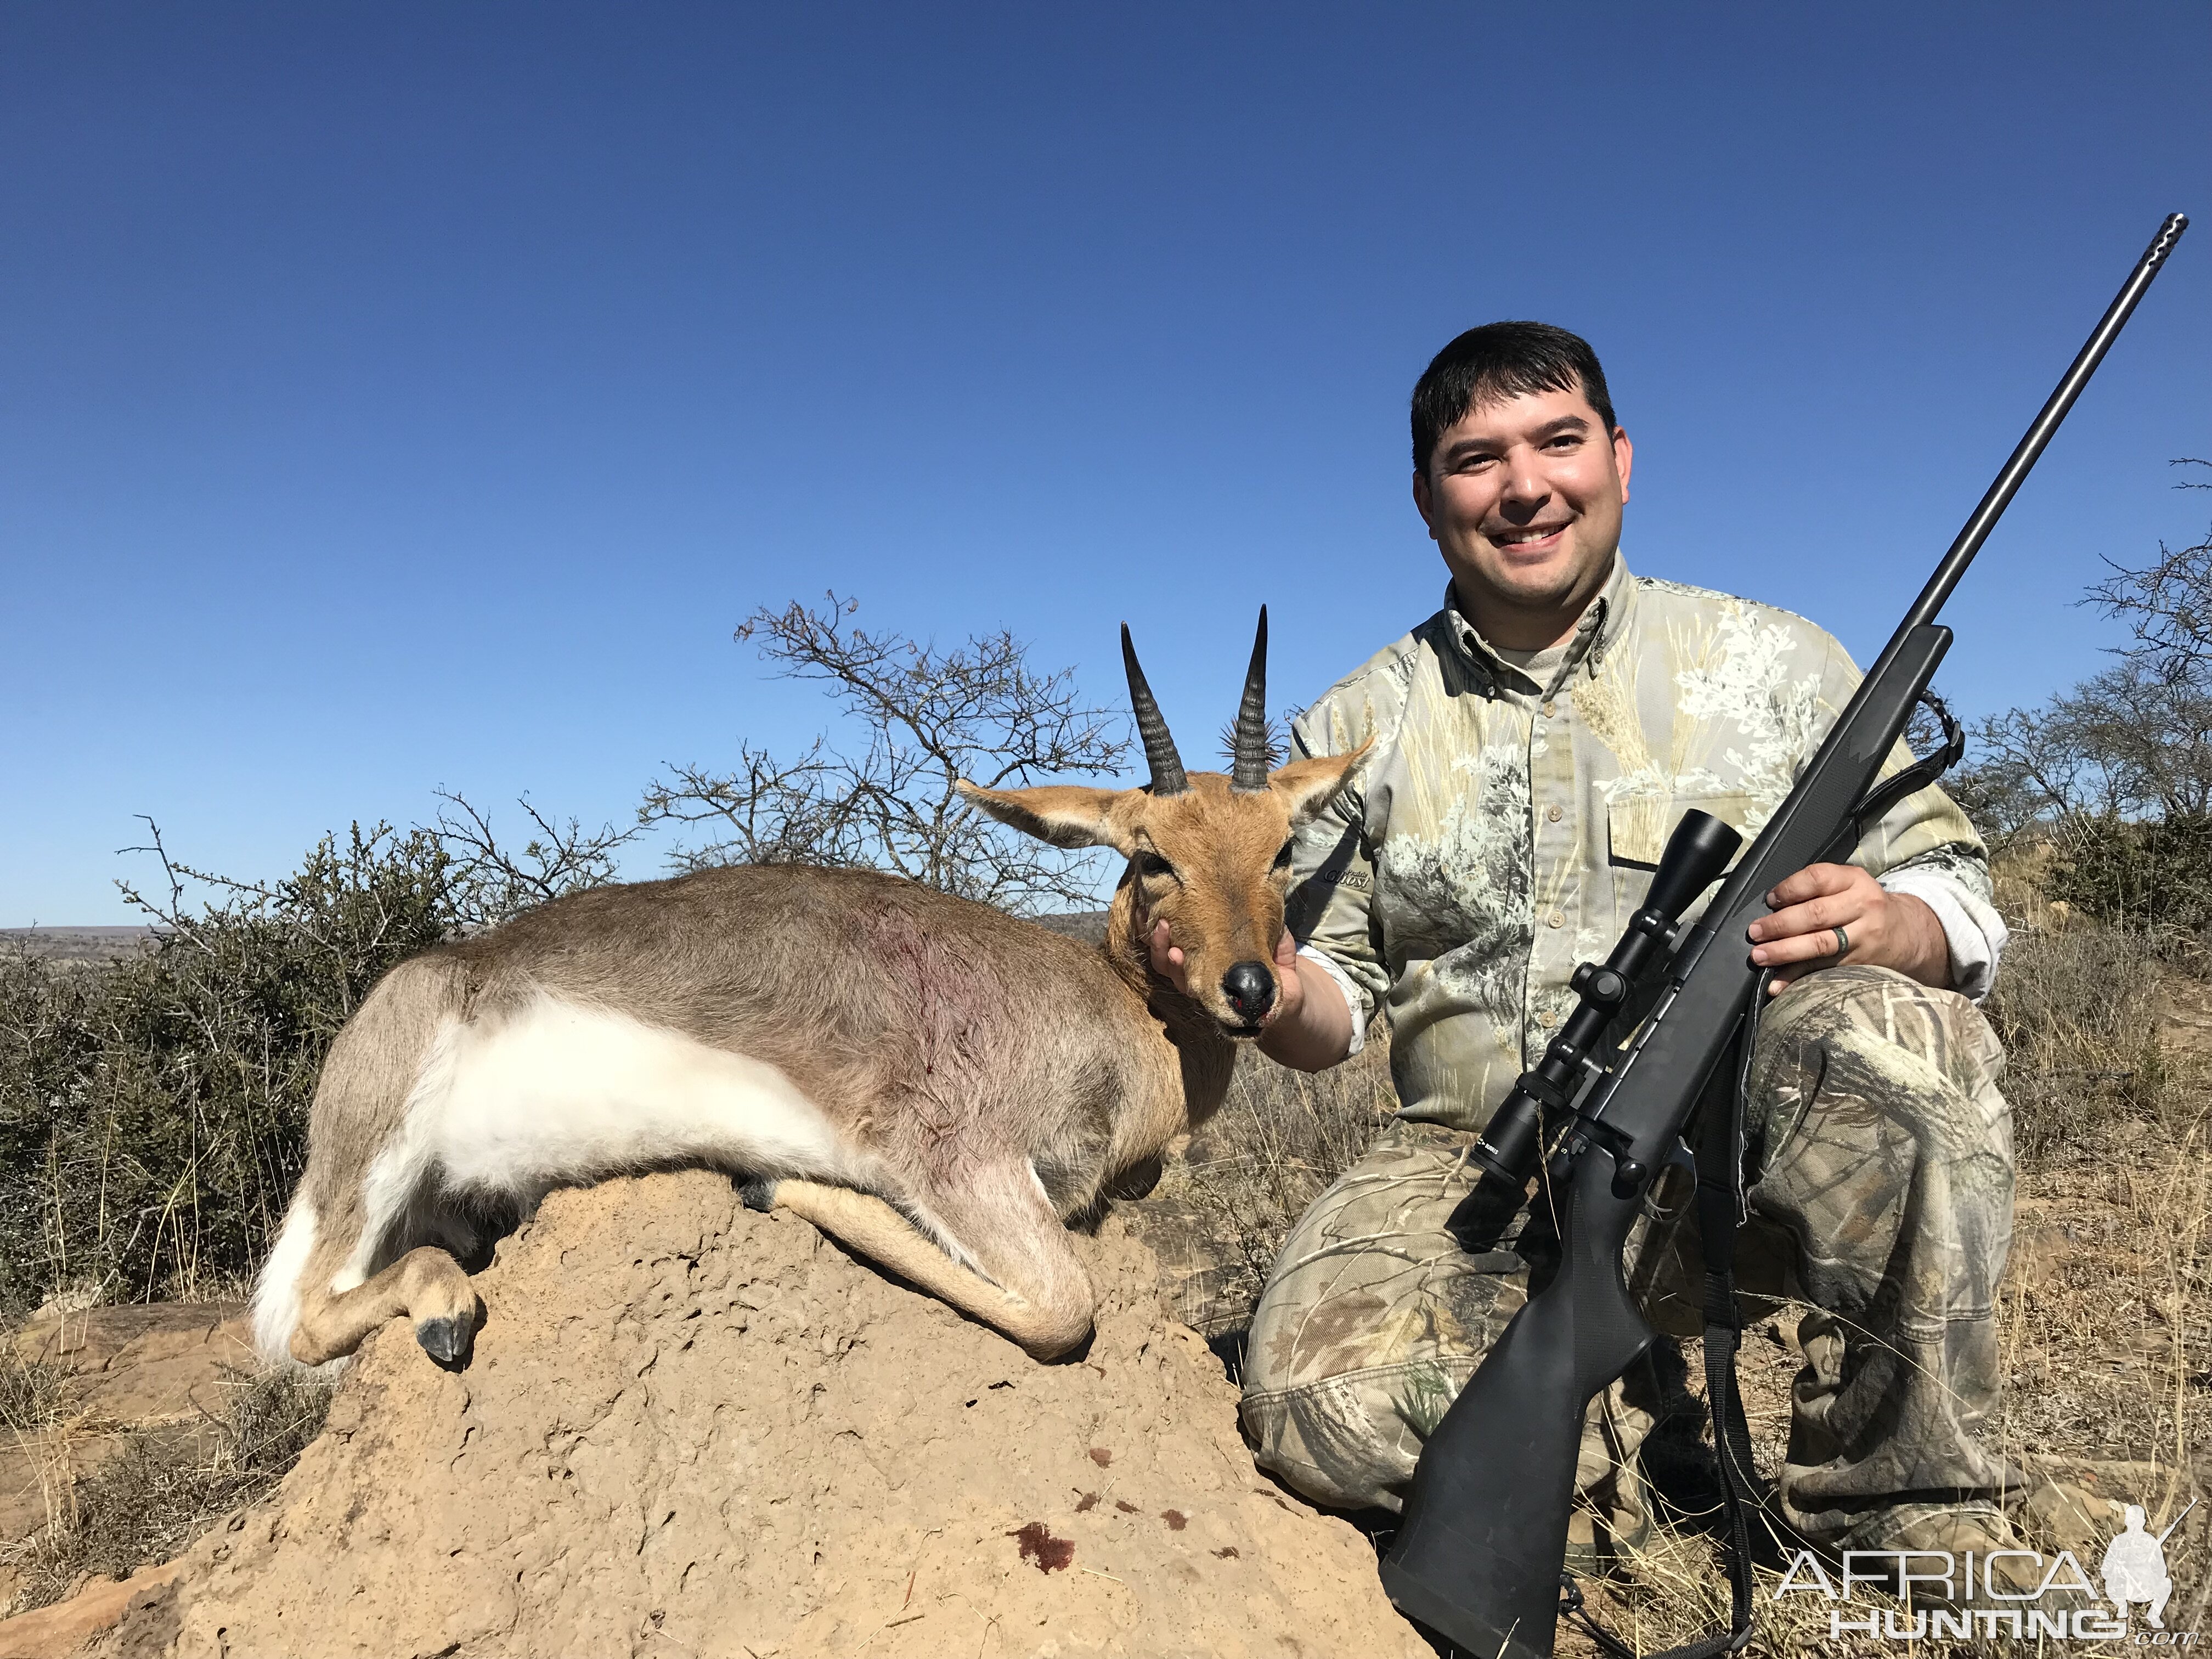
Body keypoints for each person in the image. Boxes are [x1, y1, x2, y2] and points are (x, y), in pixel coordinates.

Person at [1148, 321, 2024, 1576]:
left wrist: (1907, 925)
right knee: (1321, 1411)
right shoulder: (1351, 723)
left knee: (1907, 1035)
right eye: (1475, 460)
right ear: (1425, 498)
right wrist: (1277, 995)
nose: (1523, 488)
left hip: (1728, 1154)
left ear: (1618, 456)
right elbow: (1333, 995)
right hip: (1471, 1159)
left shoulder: (1778, 661)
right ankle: (1612, 1412)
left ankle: (1906, 1513)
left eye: (1558, 442)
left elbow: (1954, 877)